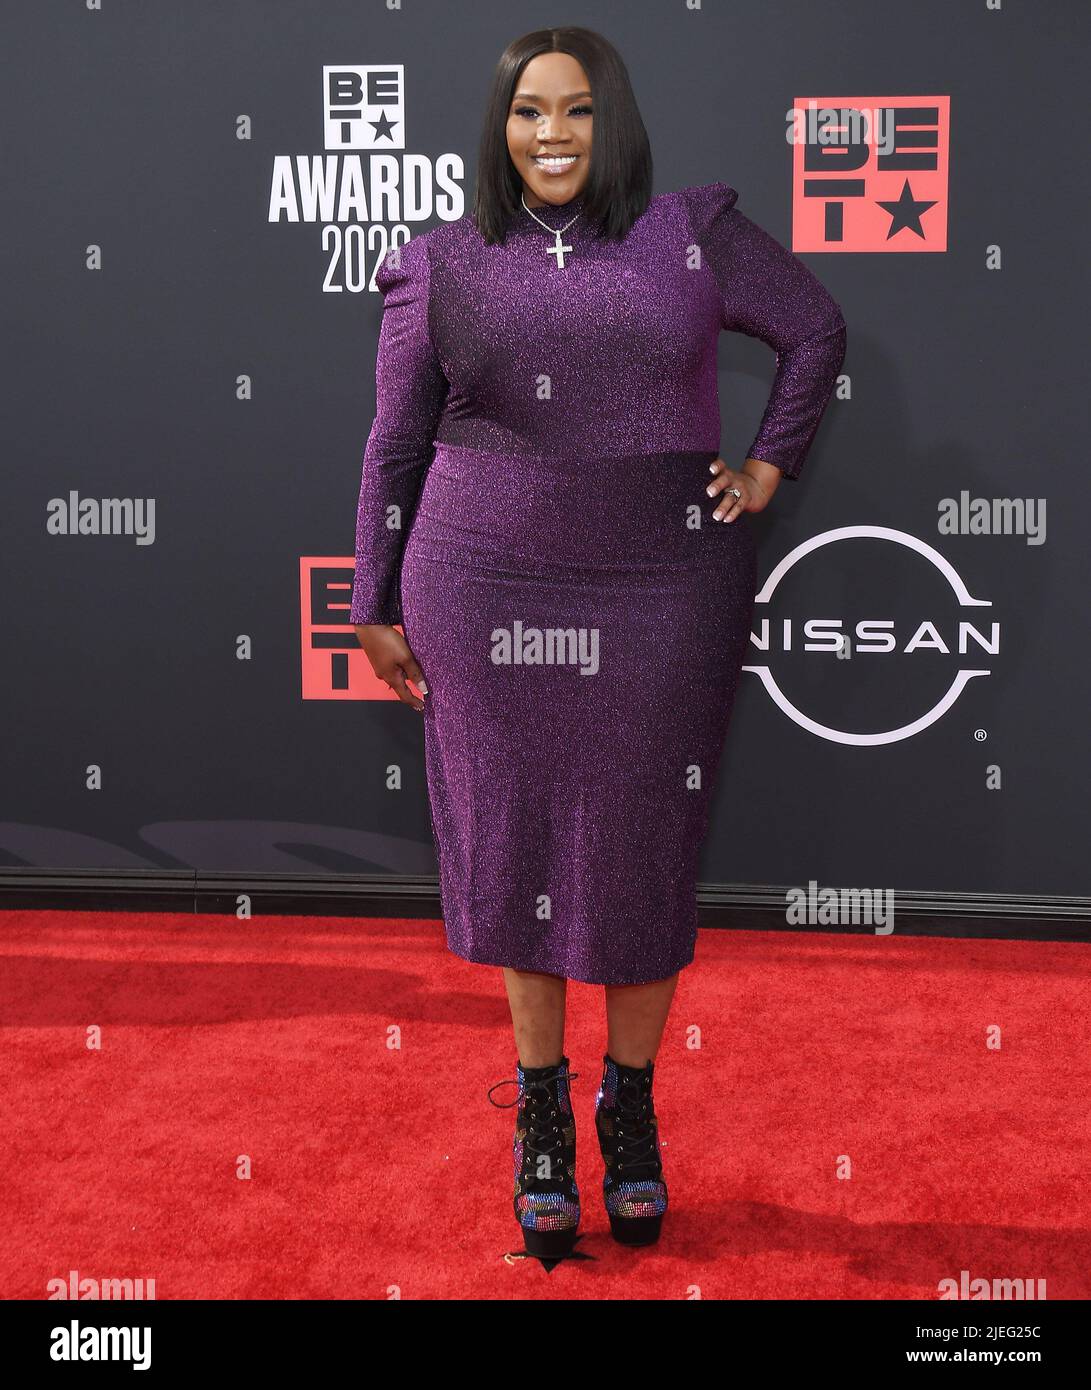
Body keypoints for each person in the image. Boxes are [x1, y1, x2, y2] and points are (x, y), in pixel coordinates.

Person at [352, 26, 846, 1264]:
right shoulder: (444, 262)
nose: (551, 135)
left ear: (611, 120)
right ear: (499, 125)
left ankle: (627, 1108)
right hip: (482, 581)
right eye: (528, 112)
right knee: (515, 841)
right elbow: (392, 445)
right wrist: (371, 595)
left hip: (660, 584)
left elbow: (814, 329)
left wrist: (768, 466)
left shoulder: (688, 231)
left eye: (575, 111)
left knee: (638, 851)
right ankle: (538, 1112)